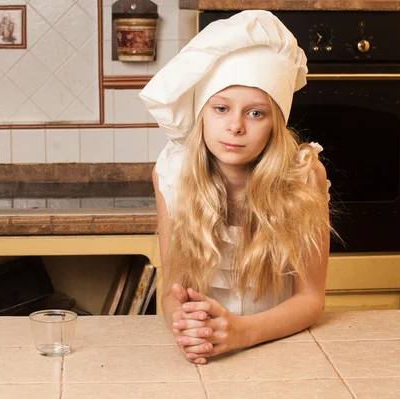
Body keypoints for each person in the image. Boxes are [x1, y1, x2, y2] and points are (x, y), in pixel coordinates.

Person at [139, 10, 333, 365]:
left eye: (255, 113)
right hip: (206, 352)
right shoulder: (172, 173)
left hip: (280, 347)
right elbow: (171, 292)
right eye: (222, 108)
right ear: (202, 112)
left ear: (276, 122)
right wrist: (185, 323)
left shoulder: (305, 175)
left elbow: (311, 300)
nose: (235, 127)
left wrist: (241, 331)